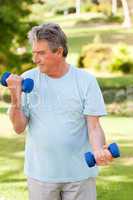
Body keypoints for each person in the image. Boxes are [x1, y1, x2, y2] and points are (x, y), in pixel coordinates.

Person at [7, 23, 113, 200]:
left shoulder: (85, 81)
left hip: (80, 175)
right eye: (34, 53)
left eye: (41, 53)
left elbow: (93, 126)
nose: (35, 59)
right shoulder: (27, 79)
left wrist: (98, 151)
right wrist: (15, 97)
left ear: (59, 51)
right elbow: (18, 128)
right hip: (41, 175)